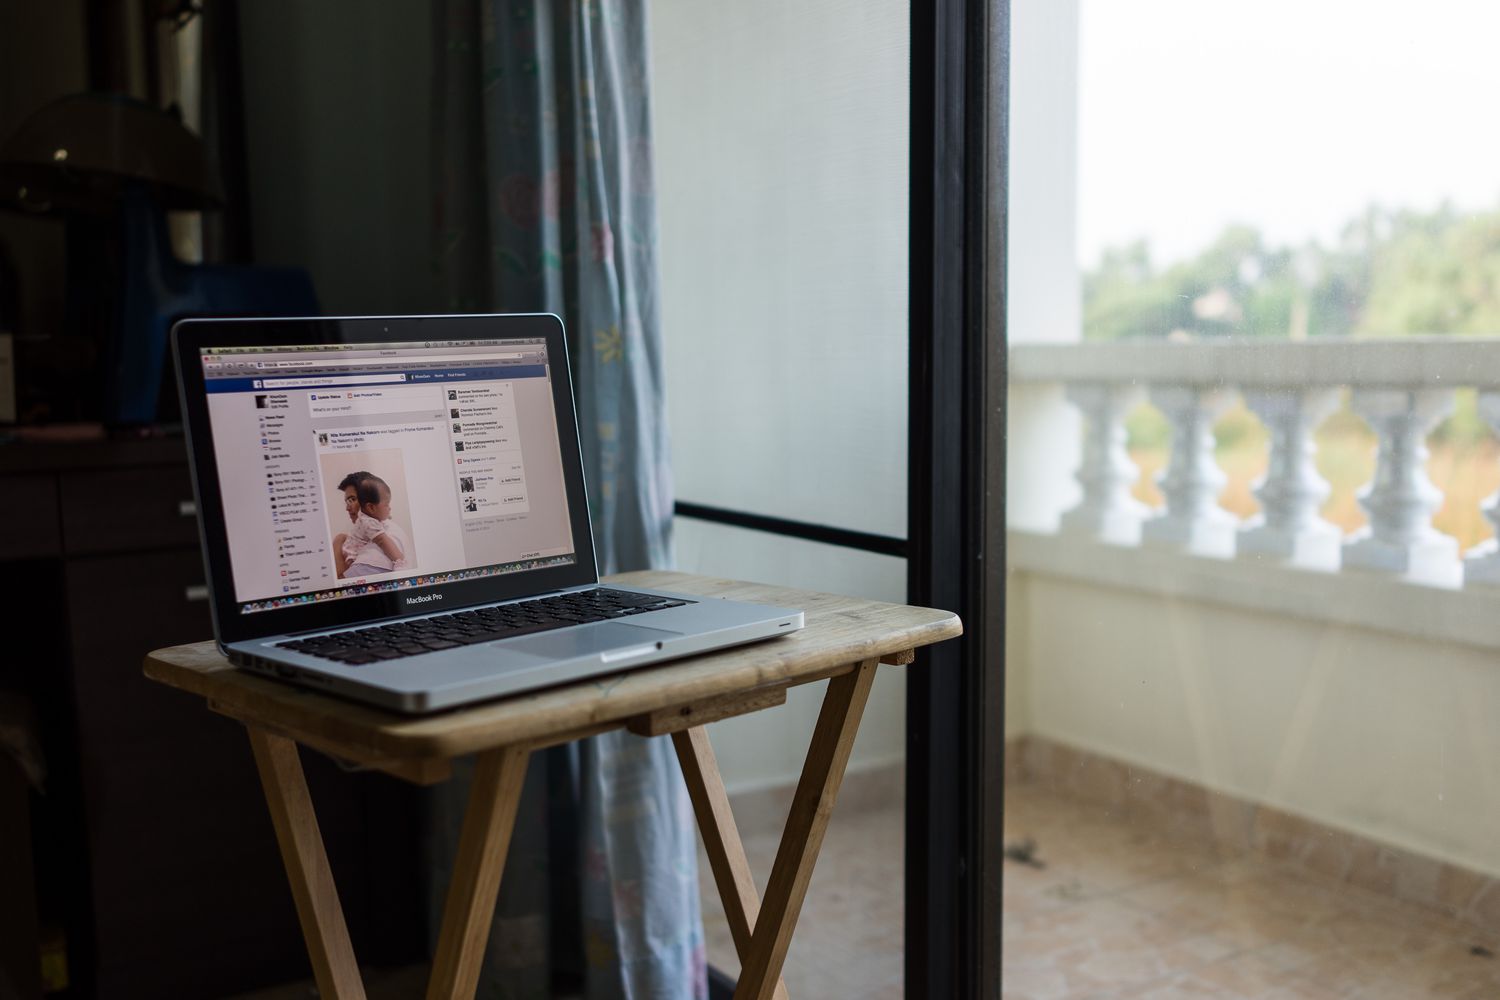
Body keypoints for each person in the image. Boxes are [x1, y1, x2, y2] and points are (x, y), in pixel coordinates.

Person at [341, 474, 411, 578]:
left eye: (352, 499)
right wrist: (400, 561)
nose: (347, 508)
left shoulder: (382, 526)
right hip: (353, 558)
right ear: (371, 507)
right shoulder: (369, 522)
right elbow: (382, 540)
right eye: (387, 504)